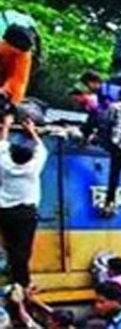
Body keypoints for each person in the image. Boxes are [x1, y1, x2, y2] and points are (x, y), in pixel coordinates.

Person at [0, 114, 45, 291]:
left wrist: (6, 126)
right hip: (25, 214)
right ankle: (23, 283)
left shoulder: (5, 165)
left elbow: (2, 145)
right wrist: (32, 131)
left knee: (10, 247)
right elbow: (41, 149)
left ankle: (14, 281)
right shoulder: (33, 168)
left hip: (4, 212)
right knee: (22, 250)